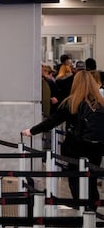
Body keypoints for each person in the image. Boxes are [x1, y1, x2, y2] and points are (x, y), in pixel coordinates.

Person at [23, 70, 104, 210]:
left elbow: (52, 121)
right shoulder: (100, 103)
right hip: (96, 149)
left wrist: (31, 131)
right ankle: (92, 215)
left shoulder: (71, 103)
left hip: (75, 149)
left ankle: (82, 215)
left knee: (75, 181)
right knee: (91, 181)